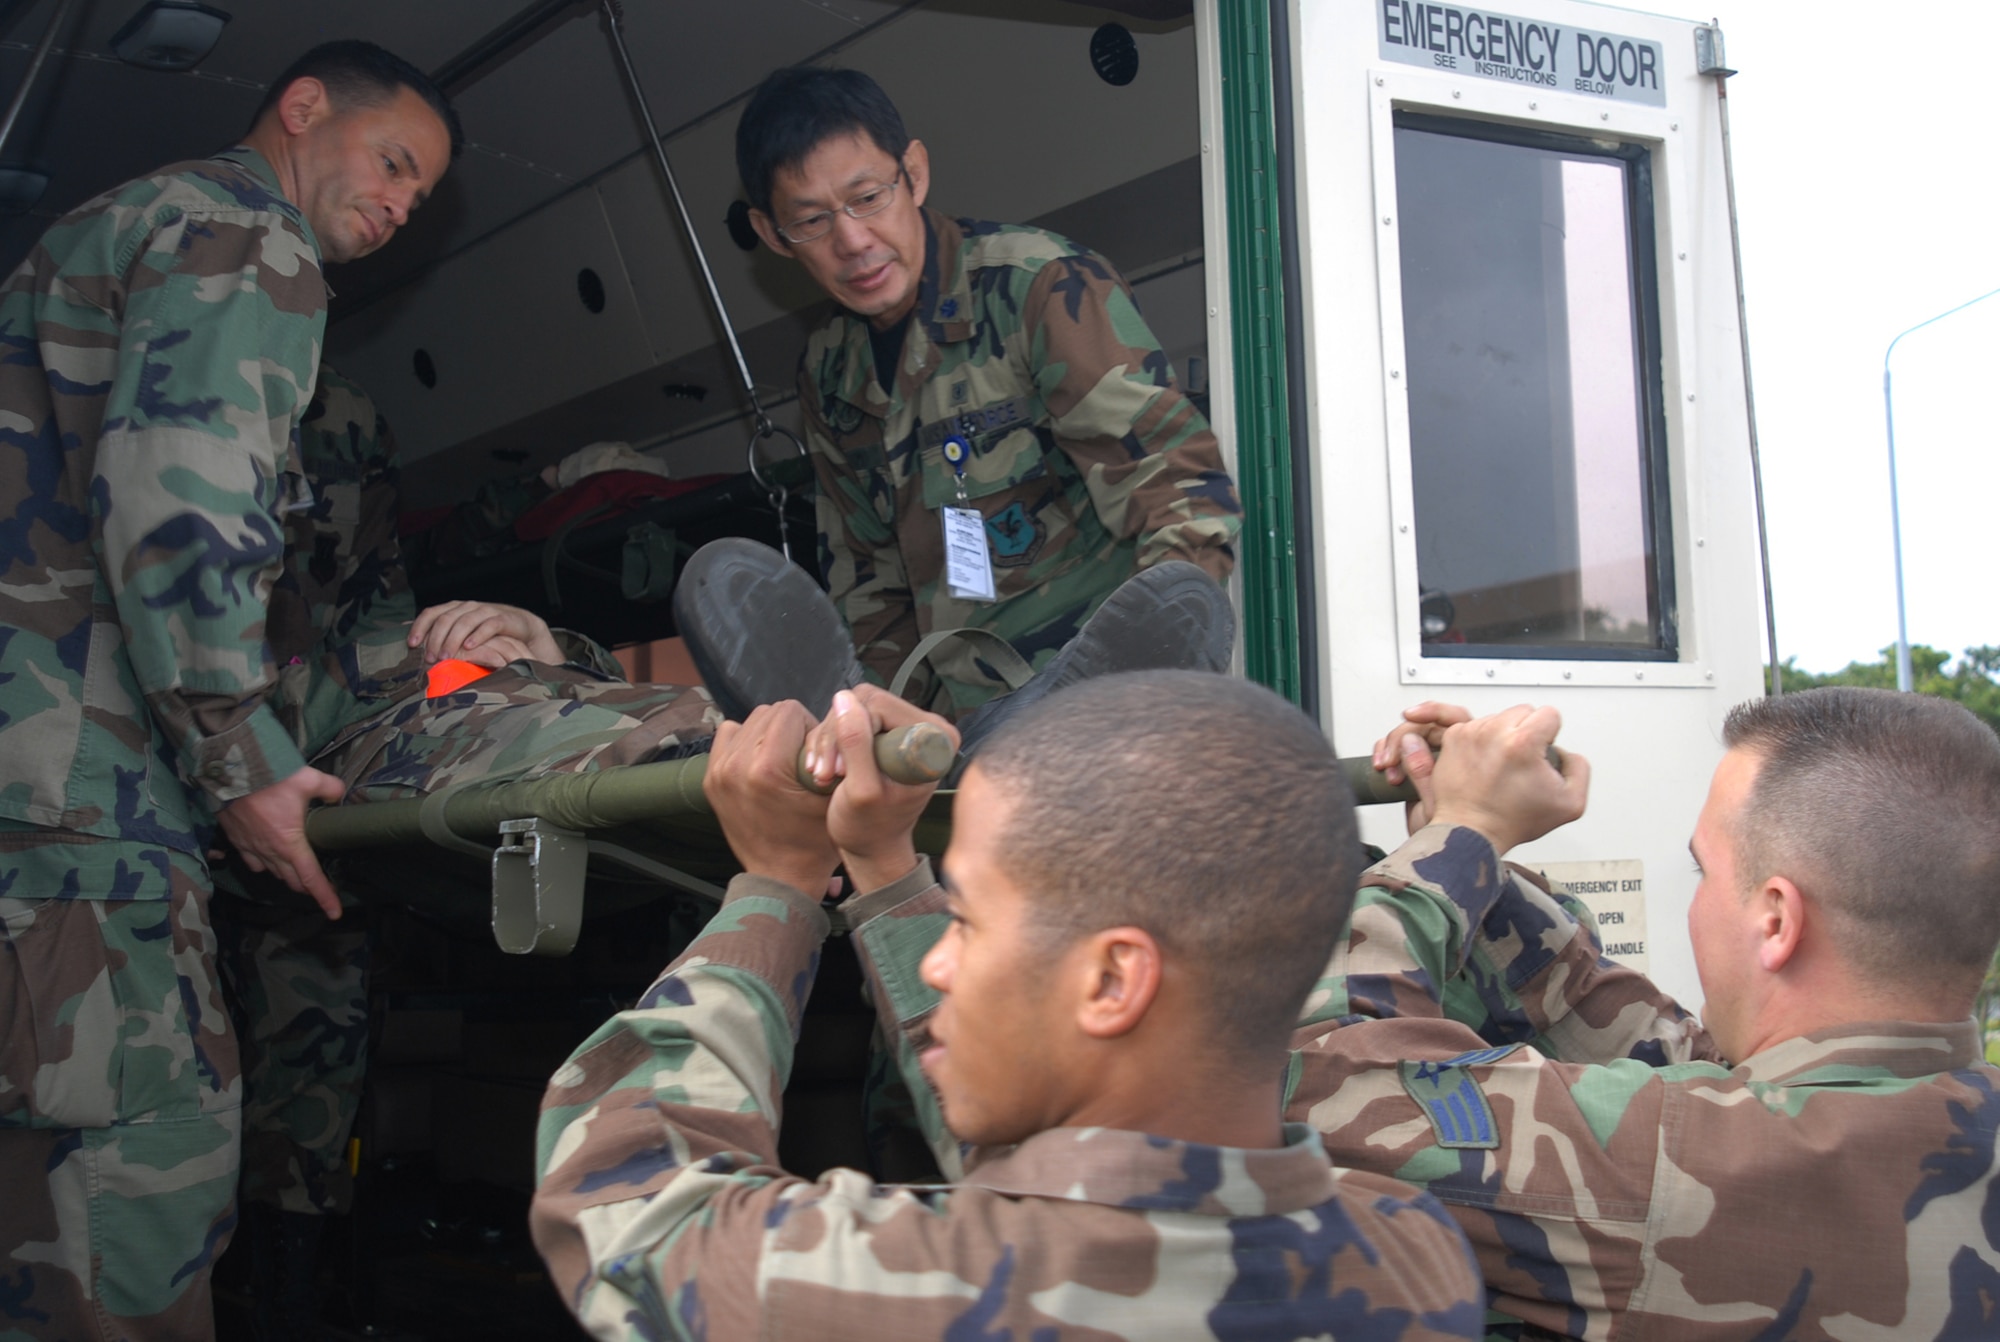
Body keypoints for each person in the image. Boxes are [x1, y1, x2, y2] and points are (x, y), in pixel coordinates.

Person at [530, 671, 1486, 1340]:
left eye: (969, 922)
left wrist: (777, 885)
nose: (939, 962)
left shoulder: (912, 1292)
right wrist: (880, 867)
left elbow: (626, 1195)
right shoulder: (1416, 1253)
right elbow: (1047, 1171)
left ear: (1113, 982)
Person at [0, 42, 459, 1340]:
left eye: (420, 196)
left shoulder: (105, 233)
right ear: (303, 109)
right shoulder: (243, 241)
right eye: (391, 163)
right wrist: (241, 757)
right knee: (129, 1246)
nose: (398, 205)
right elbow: (183, 508)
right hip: (85, 833)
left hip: (32, 812)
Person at [212, 365, 721, 1338]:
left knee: (505, 704)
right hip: (221, 770)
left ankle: (680, 724)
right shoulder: (153, 416)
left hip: (347, 754)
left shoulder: (347, 422)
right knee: (259, 1081)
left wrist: (515, 641)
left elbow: (372, 612)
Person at [1286, 690, 2000, 1338]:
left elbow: (1332, 1070)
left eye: (1704, 872)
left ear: (1777, 920)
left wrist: (1464, 834)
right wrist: (1466, 858)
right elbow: (1656, 1041)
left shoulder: (1677, 1166)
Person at [734, 66, 1243, 721]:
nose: (853, 241)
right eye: (811, 221)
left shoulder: (1037, 287)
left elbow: (1179, 496)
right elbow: (868, 583)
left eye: (868, 198)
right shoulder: (829, 373)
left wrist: (1146, 691)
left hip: (1104, 696)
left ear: (913, 173)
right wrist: (883, 735)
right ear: (773, 234)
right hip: (968, 731)